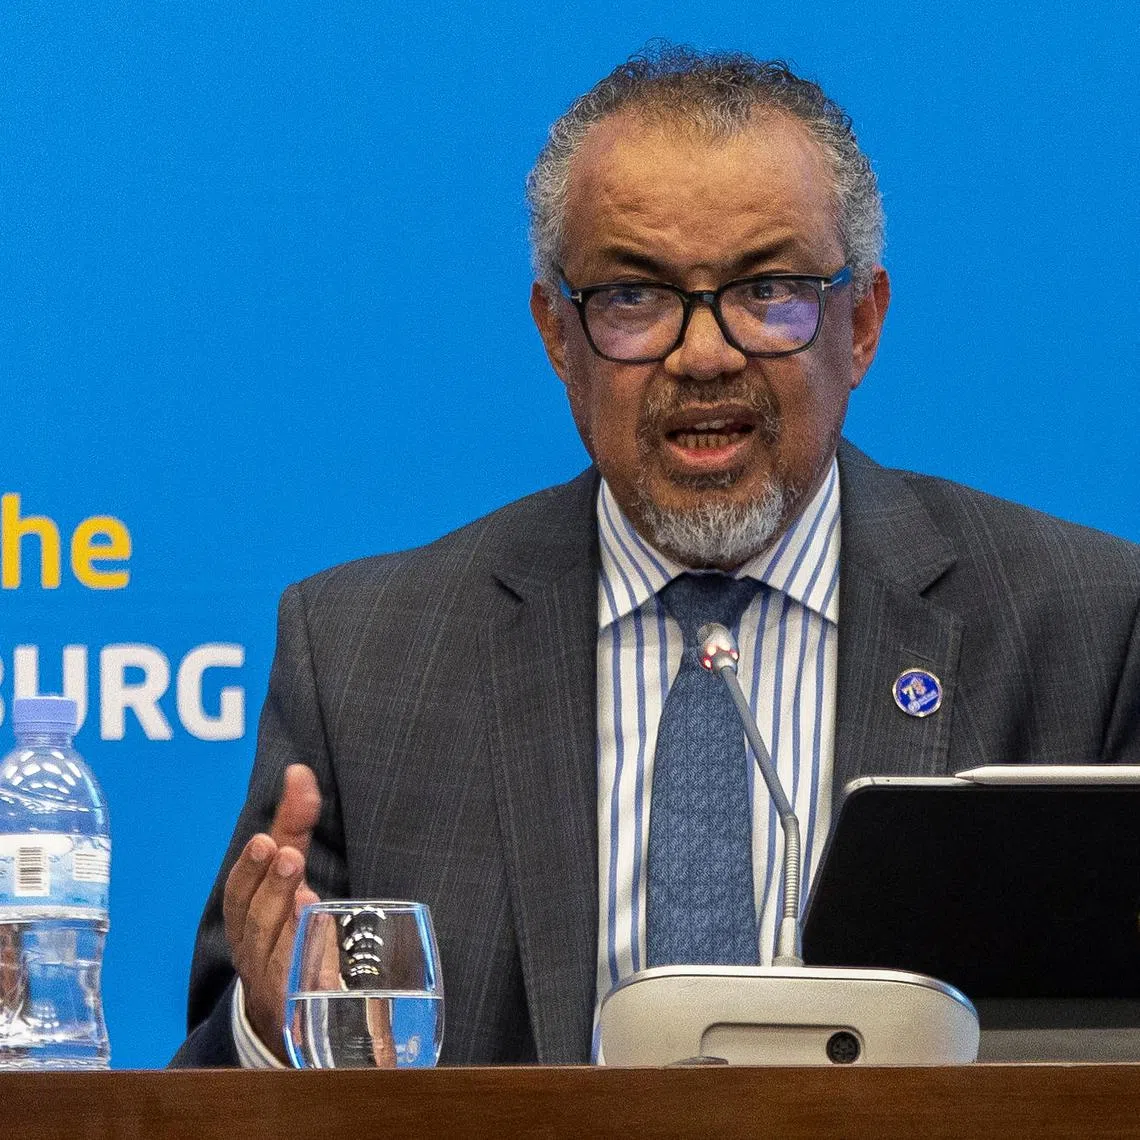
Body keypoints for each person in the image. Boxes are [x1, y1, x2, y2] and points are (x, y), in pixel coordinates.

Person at [171, 45, 1140, 1067]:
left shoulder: (1082, 622)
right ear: (557, 334)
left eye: (768, 290)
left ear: (861, 323)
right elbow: (217, 1081)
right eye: (635, 298)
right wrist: (274, 1032)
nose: (705, 352)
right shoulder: (369, 657)